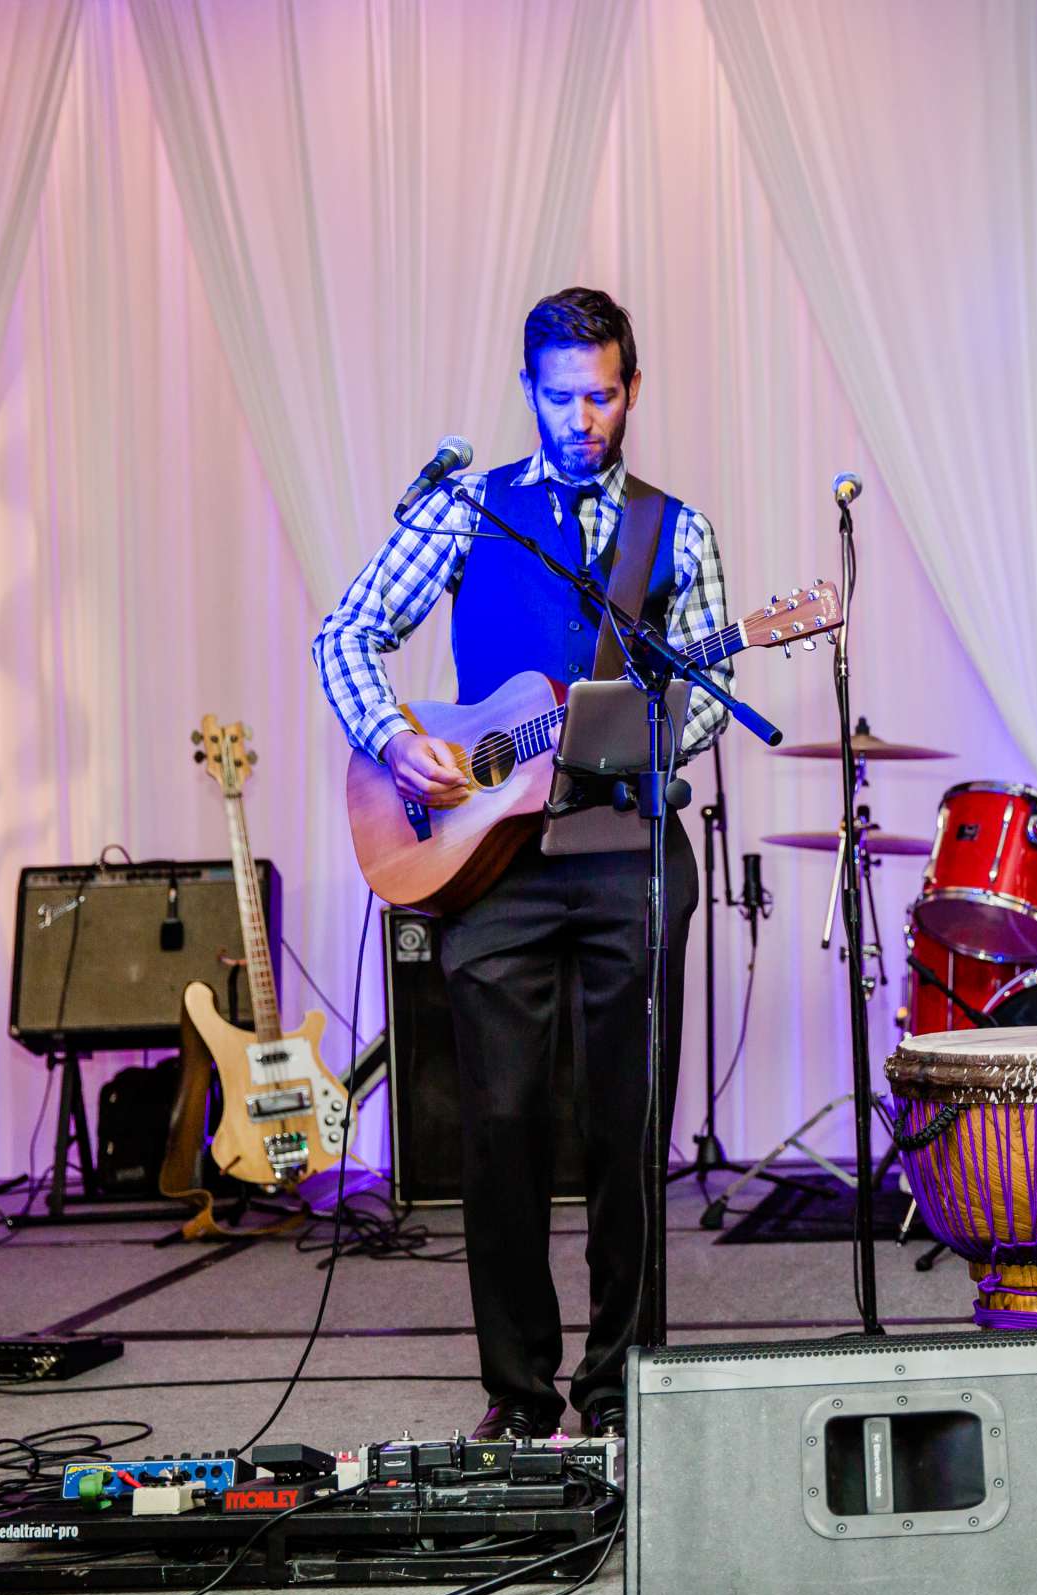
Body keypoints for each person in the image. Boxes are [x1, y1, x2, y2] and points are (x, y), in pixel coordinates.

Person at [312, 287, 731, 1441]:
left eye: (602, 394)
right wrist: (397, 741)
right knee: (495, 1133)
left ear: (632, 388)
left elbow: (698, 700)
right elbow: (344, 633)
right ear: (528, 392)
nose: (582, 418)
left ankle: (620, 1389)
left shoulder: (675, 531)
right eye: (560, 397)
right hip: (484, 866)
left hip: (628, 856)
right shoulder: (466, 512)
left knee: (625, 1130)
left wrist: (642, 734)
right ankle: (517, 1391)